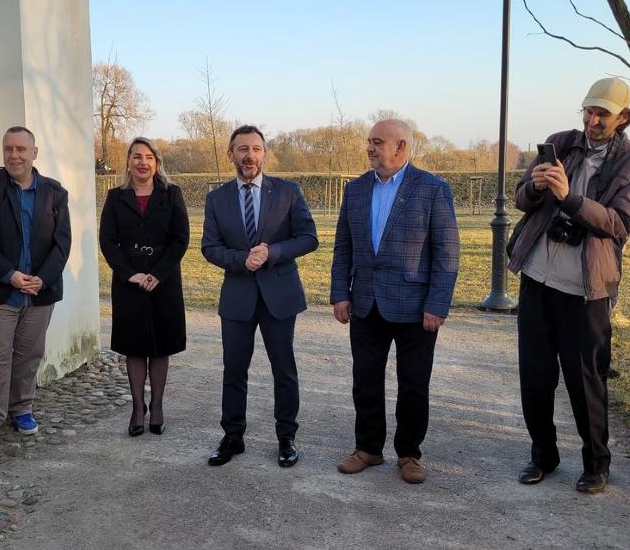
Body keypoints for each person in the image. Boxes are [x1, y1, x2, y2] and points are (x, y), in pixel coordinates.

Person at [507, 77, 630, 493]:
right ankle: (543, 455)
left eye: (602, 114)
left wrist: (570, 198)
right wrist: (535, 187)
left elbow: (619, 224)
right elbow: (520, 199)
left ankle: (596, 464)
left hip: (586, 289)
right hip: (538, 279)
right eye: (589, 111)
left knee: (585, 380)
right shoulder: (560, 142)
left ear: (623, 118)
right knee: (535, 376)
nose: (592, 120)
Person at [329, 119, 460, 484]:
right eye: (369, 142)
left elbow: (447, 252)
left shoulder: (433, 189)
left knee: (414, 385)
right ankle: (368, 449)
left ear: (401, 146)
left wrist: (437, 304)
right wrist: (340, 293)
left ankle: (409, 453)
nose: (370, 148)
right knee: (365, 381)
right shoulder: (356, 189)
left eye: (378, 142)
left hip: (416, 308)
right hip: (366, 303)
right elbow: (343, 246)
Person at [201, 124, 318, 467]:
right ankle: (232, 436)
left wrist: (272, 252)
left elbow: (308, 238)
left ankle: (286, 437)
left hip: (279, 296)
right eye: (242, 149)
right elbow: (210, 247)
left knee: (284, 370)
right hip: (237, 297)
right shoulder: (217, 199)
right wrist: (242, 260)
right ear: (231, 154)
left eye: (255, 148)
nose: (249, 155)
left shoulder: (288, 192)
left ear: (264, 153)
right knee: (234, 370)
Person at [0, 126, 72, 452]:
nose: (14, 155)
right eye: (8, 149)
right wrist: (8, 274)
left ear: (34, 153)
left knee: (29, 355)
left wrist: (44, 278)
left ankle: (22, 408)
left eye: (21, 149)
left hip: (39, 293)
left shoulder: (54, 192)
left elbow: (62, 242)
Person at [99, 137, 189, 436]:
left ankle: (157, 406)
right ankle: (138, 408)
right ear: (128, 162)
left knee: (160, 345)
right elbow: (107, 241)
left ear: (157, 163)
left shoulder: (172, 194)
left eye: (149, 157)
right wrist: (130, 274)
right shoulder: (116, 197)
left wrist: (157, 274)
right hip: (129, 284)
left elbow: (180, 238)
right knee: (134, 346)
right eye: (137, 156)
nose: (142, 162)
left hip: (164, 282)